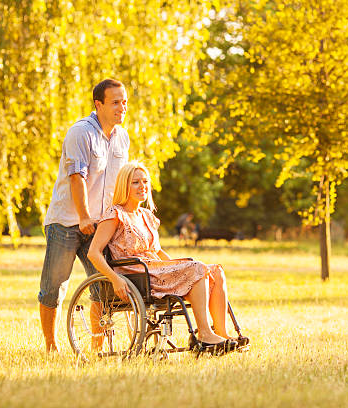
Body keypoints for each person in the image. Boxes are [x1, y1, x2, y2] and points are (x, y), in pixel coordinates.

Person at [87, 161, 240, 354]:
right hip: (137, 274)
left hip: (156, 268)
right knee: (198, 268)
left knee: (215, 271)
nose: (142, 186)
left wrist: (179, 265)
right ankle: (204, 334)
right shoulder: (115, 214)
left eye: (145, 181)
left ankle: (222, 335)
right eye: (135, 182)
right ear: (124, 185)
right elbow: (93, 253)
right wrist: (114, 279)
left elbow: (158, 252)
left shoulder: (146, 216)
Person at [38, 79, 130, 352]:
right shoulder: (81, 133)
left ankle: (96, 347)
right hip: (66, 221)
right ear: (98, 104)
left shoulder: (122, 137)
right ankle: (51, 346)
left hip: (99, 224)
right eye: (115, 102)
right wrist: (84, 216)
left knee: (104, 285)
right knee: (54, 287)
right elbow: (77, 177)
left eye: (124, 102)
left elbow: (121, 182)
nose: (121, 107)